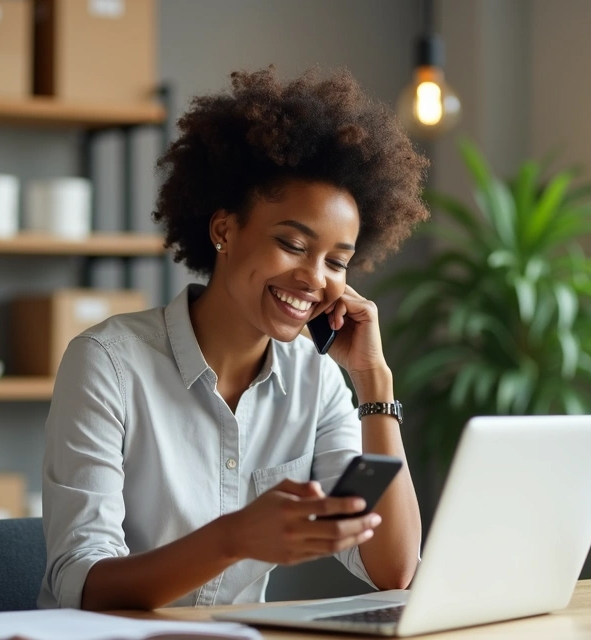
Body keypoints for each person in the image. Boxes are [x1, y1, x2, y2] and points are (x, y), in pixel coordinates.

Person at [38, 67, 430, 612]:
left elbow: (393, 569)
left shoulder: (316, 379)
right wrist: (235, 538)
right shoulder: (108, 363)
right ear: (224, 230)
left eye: (337, 261)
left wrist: (373, 381)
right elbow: (83, 587)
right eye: (293, 244)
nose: (316, 279)